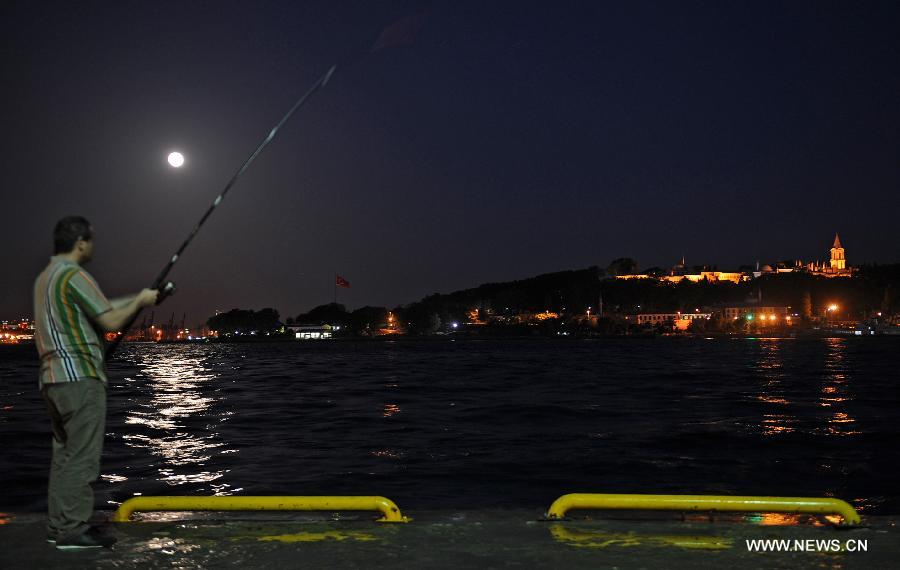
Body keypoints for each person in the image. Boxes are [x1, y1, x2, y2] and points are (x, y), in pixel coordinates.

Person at [33, 216, 159, 549]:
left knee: (63, 458)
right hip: (80, 380)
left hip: (52, 381)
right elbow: (110, 320)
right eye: (92, 240)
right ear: (81, 243)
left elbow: (97, 309)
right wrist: (140, 303)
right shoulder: (75, 275)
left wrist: (141, 298)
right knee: (82, 459)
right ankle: (73, 531)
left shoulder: (46, 279)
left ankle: (59, 526)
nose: (93, 247)